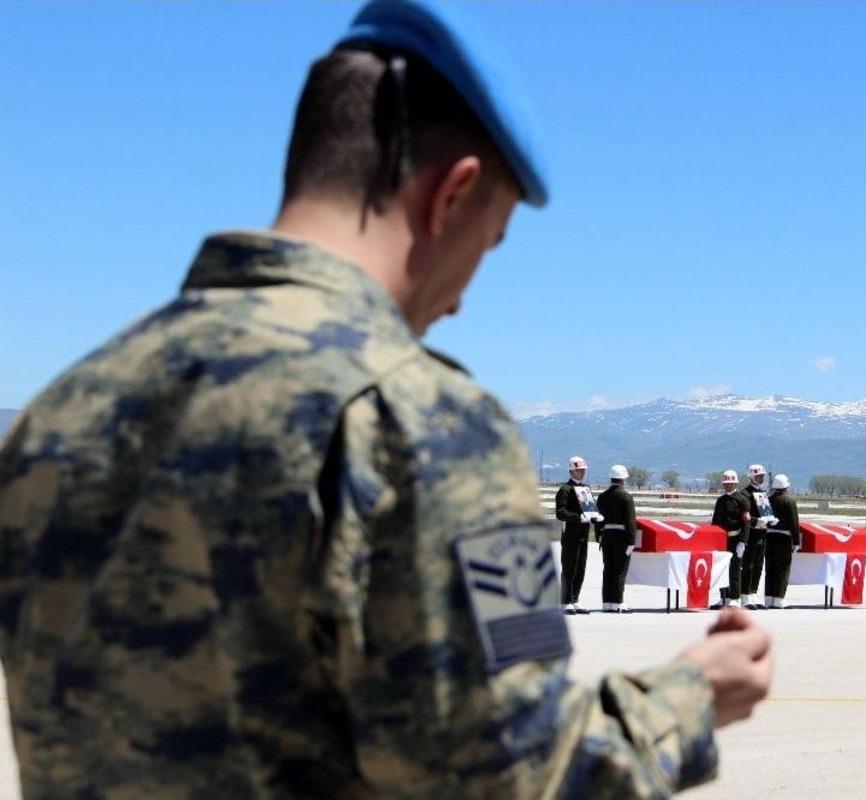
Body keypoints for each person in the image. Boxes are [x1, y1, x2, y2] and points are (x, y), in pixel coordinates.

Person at [0, 2, 774, 797]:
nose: (463, 299)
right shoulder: (418, 422)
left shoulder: (61, 411)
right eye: (491, 240)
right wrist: (688, 699)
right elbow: (510, 778)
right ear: (453, 194)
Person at [555, 455, 600, 614]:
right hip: (570, 535)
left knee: (580, 568)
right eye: (578, 470)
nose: (581, 472)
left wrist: (596, 517)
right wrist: (577, 517)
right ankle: (565, 601)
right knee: (569, 568)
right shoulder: (565, 489)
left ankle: (575, 598)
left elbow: (590, 509)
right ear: (571, 471)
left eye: (583, 470)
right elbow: (560, 513)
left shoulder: (586, 489)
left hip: (583, 534)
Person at [596, 464, 637, 613]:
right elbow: (630, 521)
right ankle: (617, 602)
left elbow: (598, 519)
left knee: (608, 570)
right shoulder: (626, 496)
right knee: (619, 570)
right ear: (623, 480)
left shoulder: (602, 496)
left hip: (606, 537)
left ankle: (606, 602)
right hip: (621, 538)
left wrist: (599, 536)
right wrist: (632, 540)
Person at [739, 464, 777, 609]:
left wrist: (771, 519)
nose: (761, 478)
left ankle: (753, 593)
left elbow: (766, 513)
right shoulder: (745, 494)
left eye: (762, 476)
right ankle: (745, 595)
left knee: (758, 565)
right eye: (758, 476)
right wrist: (756, 521)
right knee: (748, 565)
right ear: (751, 477)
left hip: (762, 534)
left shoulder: (762, 493)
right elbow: (746, 516)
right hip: (751, 534)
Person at [711, 469, 751, 608]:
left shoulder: (742, 500)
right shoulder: (720, 500)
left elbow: (746, 523)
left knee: (734, 569)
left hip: (735, 539)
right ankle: (724, 597)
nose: (727, 485)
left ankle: (735, 597)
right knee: (721, 569)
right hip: (721, 540)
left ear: (735, 483)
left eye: (730, 483)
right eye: (725, 483)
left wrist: (743, 542)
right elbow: (715, 521)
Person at [764, 474, 801, 609]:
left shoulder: (766, 500)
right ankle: (779, 598)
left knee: (770, 569)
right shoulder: (789, 502)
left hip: (768, 537)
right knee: (783, 569)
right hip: (784, 538)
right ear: (787, 486)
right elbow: (794, 524)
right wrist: (796, 542)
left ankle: (768, 598)